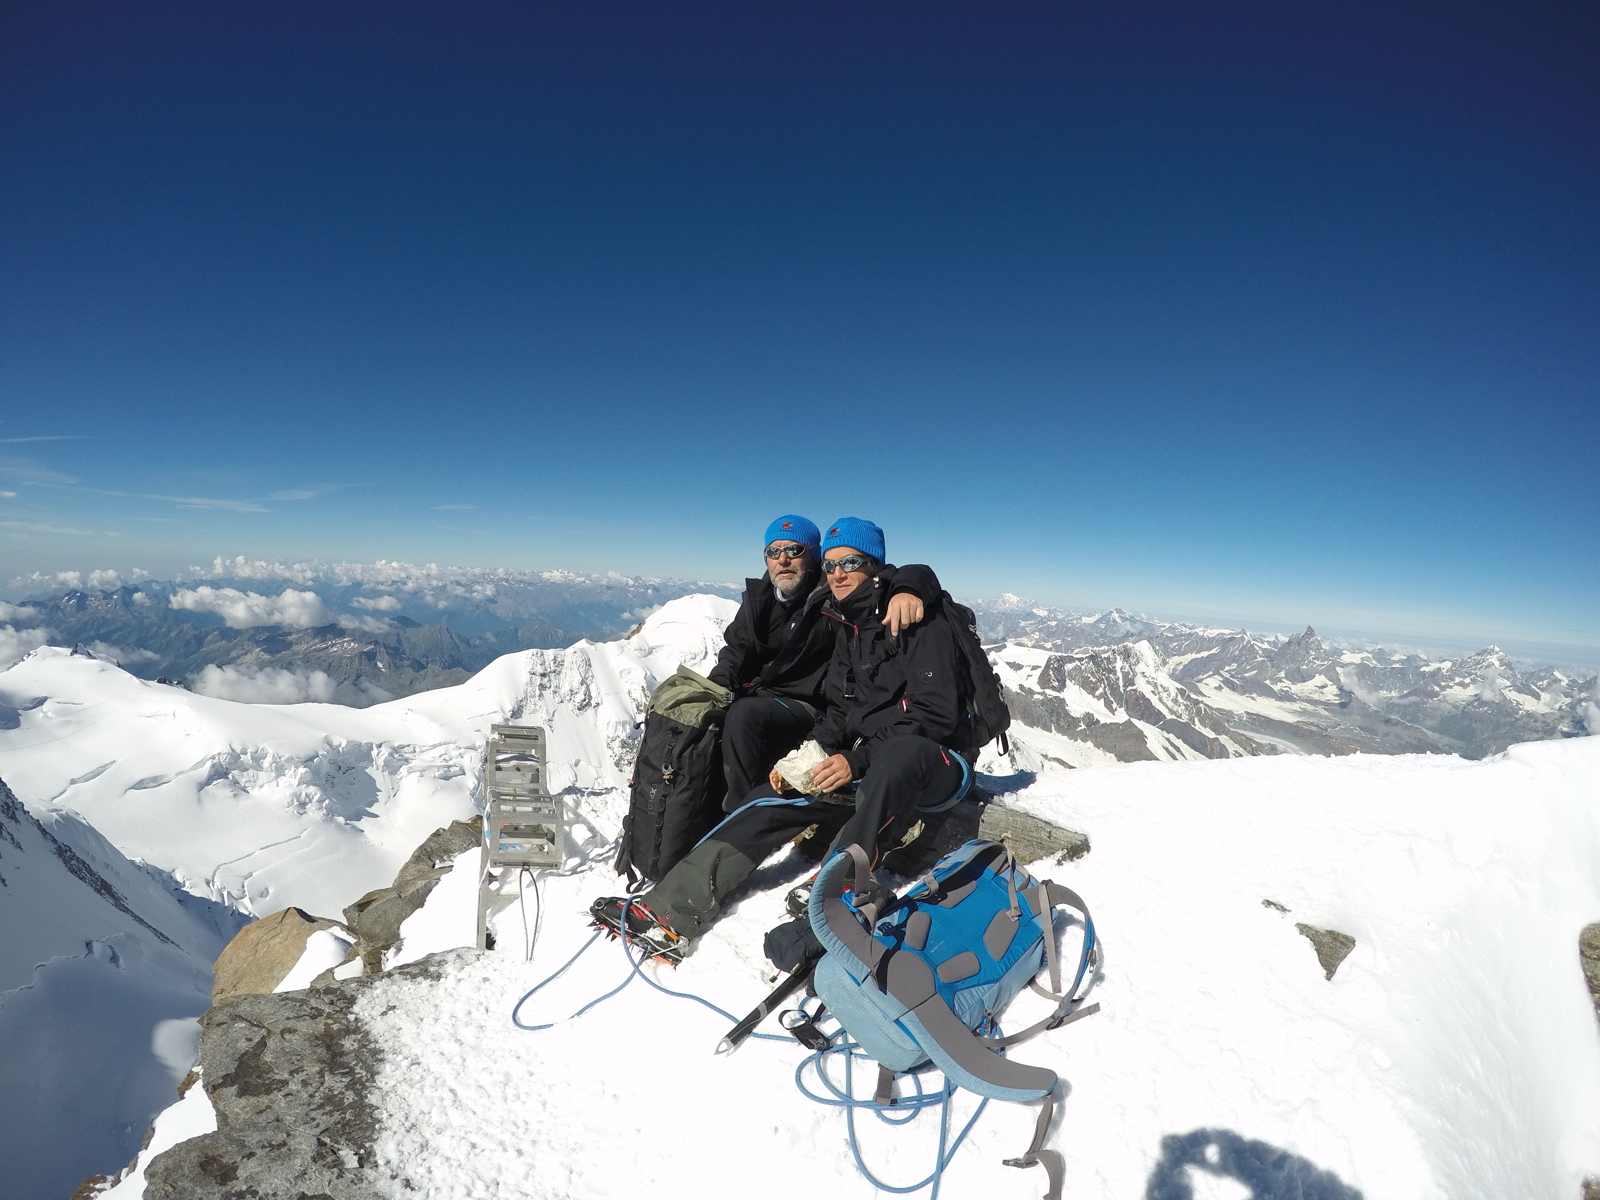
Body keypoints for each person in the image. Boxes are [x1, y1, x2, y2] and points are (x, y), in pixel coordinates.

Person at [592, 517, 975, 963]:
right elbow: (838, 711)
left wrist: (859, 760)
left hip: (939, 765)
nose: (837, 573)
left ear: (875, 566)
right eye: (831, 564)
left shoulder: (916, 619)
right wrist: (804, 757)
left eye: (850, 561)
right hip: (870, 761)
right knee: (767, 801)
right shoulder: (847, 627)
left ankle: (836, 894)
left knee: (897, 756)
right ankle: (667, 911)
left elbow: (936, 715)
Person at [706, 514, 937, 808]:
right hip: (776, 700)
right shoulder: (759, 599)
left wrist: (910, 588)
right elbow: (736, 652)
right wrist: (714, 690)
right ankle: (728, 810)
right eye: (773, 551)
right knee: (720, 713)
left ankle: (739, 811)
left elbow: (897, 574)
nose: (783, 559)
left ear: (812, 556)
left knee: (745, 714)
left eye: (794, 550)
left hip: (814, 707)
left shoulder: (832, 595)